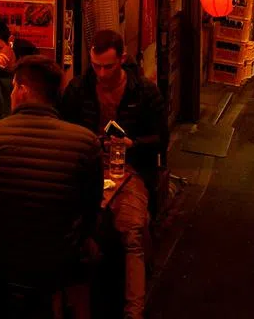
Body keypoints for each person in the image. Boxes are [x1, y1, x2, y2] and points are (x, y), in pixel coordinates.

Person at [0, 55, 103, 314]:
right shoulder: (86, 143)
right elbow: (91, 209)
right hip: (56, 264)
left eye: (14, 86)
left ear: (22, 90)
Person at [60, 30, 166, 319]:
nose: (102, 73)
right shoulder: (79, 88)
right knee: (67, 227)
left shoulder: (144, 91)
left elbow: (161, 139)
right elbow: (63, 129)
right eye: (96, 66)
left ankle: (134, 311)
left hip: (130, 169)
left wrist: (134, 144)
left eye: (109, 66)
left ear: (122, 58)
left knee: (131, 230)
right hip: (87, 167)